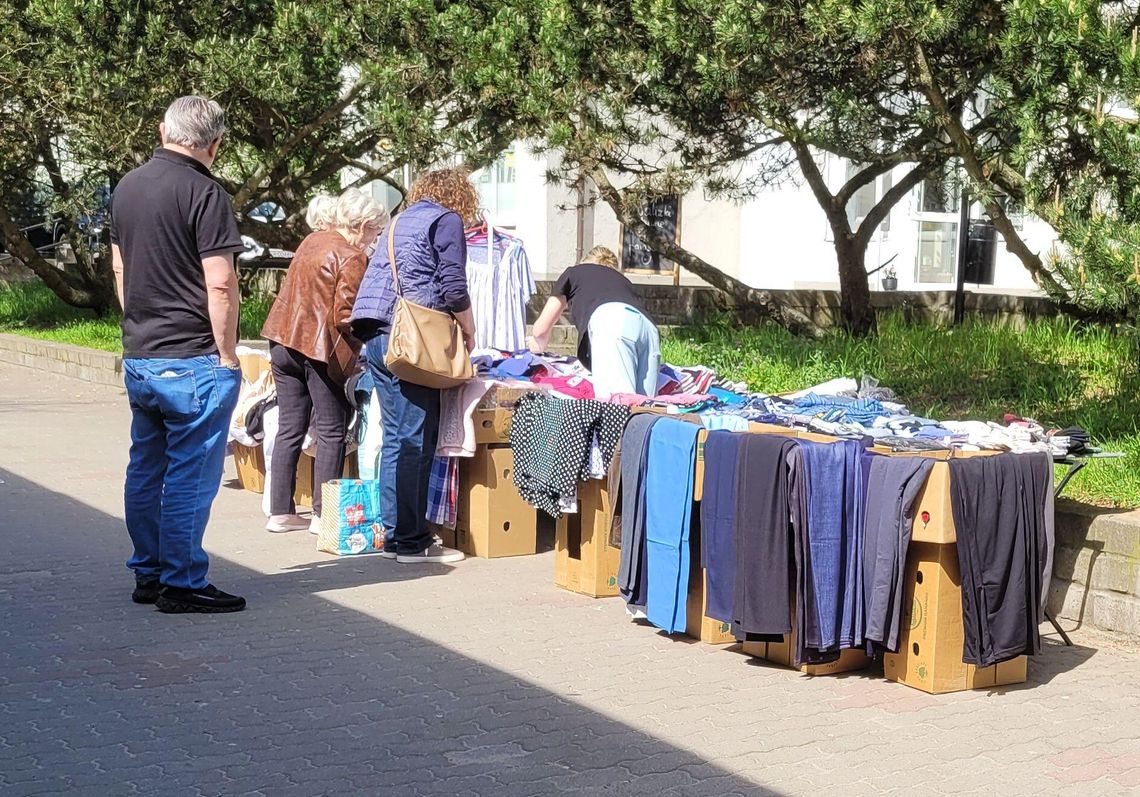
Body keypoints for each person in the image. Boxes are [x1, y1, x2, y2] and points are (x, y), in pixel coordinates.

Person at [110, 96, 247, 613]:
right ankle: (183, 582)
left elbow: (121, 269)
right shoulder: (206, 194)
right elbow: (220, 283)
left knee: (146, 466)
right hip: (193, 357)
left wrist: (138, 325)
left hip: (142, 352)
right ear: (215, 144)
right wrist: (228, 354)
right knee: (191, 472)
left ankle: (148, 571)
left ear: (164, 128)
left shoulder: (127, 187)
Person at [351, 169, 477, 564]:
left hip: (375, 334)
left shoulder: (396, 222)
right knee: (416, 439)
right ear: (459, 196)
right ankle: (410, 539)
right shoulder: (446, 220)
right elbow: (453, 285)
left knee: (396, 437)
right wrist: (469, 331)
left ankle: (395, 534)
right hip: (411, 337)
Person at [260, 188, 388, 534]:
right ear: (361, 226)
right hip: (319, 350)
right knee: (332, 430)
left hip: (282, 340)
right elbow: (345, 314)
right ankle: (324, 515)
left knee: (290, 426)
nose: (374, 239)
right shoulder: (351, 256)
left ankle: (280, 512)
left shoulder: (313, 240)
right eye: (375, 231)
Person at [528, 245, 660, 397]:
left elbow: (541, 329)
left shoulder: (575, 272)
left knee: (617, 408)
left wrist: (538, 343)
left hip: (612, 321)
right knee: (646, 408)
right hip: (649, 328)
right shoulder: (623, 281)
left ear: (585, 262)